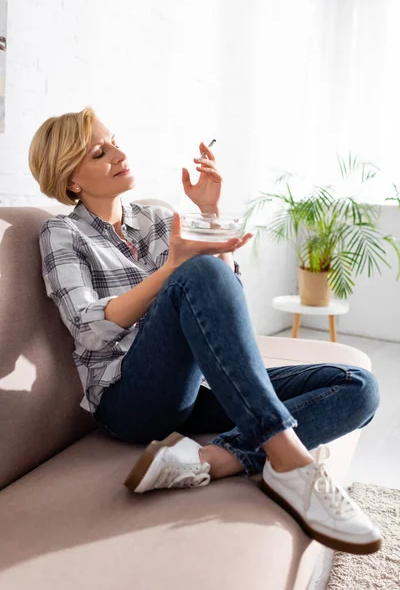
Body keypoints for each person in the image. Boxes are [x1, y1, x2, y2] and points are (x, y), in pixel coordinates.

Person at [29, 107, 381, 556]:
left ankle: (214, 459)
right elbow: (87, 328)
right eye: (100, 152)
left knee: (358, 387)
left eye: (115, 140)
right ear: (72, 181)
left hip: (193, 388)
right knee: (196, 273)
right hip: (128, 402)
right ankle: (293, 467)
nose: (119, 153)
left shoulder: (156, 220)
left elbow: (223, 301)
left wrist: (210, 211)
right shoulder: (62, 233)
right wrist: (174, 269)